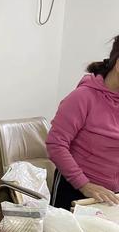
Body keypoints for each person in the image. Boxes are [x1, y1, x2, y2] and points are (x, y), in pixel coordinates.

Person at [46, 36, 119, 210]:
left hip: (110, 197)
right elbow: (56, 144)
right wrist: (84, 185)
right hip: (77, 191)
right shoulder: (83, 97)